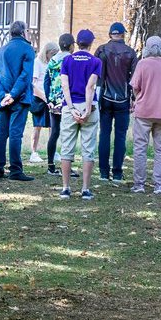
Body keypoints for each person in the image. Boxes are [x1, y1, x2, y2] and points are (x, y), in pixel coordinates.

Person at [54, 28, 103, 199]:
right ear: (90, 44)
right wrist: (87, 109)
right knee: (88, 149)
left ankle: (66, 188)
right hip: (89, 106)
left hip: (70, 106)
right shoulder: (96, 61)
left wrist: (71, 106)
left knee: (67, 148)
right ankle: (85, 189)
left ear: (77, 43)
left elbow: (65, 86)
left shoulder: (67, 60)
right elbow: (91, 87)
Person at [128, 36, 161, 194]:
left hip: (144, 111)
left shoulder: (142, 64)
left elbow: (135, 87)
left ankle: (139, 184)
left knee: (140, 148)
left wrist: (140, 98)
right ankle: (159, 185)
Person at [0, 20, 37, 181]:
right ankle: (15, 170)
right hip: (19, 99)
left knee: (2, 133)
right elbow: (25, 75)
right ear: (23, 32)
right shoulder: (28, 49)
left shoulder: (0, 51)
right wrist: (13, 95)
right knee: (15, 134)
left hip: (3, 99)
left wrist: (3, 95)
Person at [94, 22, 137, 183]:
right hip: (123, 99)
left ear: (110, 33)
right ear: (123, 35)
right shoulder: (130, 52)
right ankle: (117, 172)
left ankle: (104, 172)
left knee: (104, 134)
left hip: (104, 98)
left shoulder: (101, 50)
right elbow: (134, 79)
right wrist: (133, 98)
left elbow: (96, 75)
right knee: (120, 136)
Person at [44, 33, 73, 175]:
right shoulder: (71, 60)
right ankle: (66, 167)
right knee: (68, 134)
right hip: (66, 101)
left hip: (53, 102)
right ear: (72, 46)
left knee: (54, 133)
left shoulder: (52, 60)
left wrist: (49, 100)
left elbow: (46, 81)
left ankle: (50, 165)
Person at [27, 41, 58, 171]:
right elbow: (32, 84)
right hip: (39, 98)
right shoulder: (37, 63)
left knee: (53, 125)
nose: (54, 56)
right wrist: (44, 98)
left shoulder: (52, 63)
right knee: (37, 126)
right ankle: (34, 152)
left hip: (50, 98)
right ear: (47, 52)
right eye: (52, 54)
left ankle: (53, 151)